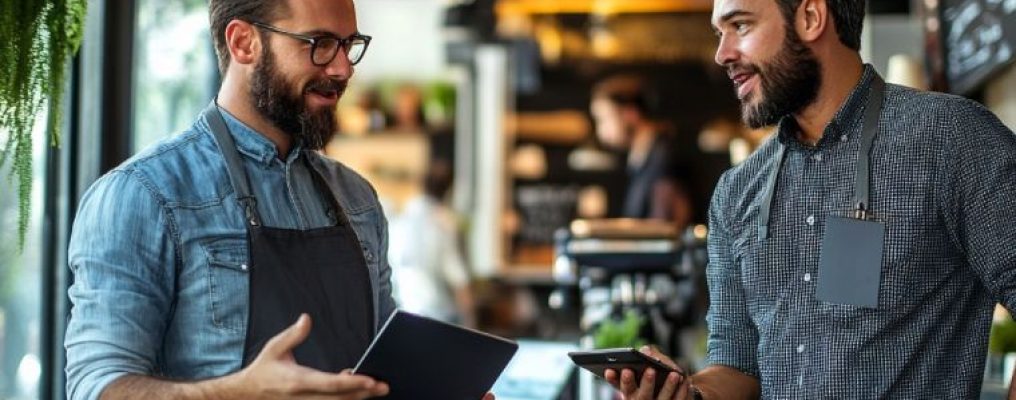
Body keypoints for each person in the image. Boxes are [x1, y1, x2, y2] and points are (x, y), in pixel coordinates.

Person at [64, 1, 495, 399]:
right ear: (243, 43)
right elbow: (96, 387)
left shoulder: (357, 199)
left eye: (349, 45)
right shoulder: (144, 195)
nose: (343, 68)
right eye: (320, 44)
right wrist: (237, 393)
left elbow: (380, 377)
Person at [606, 0, 1016, 398]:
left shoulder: (950, 138)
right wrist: (688, 394)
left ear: (811, 16)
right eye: (719, 33)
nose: (722, 54)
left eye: (741, 26)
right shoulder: (737, 191)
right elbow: (736, 364)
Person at [590, 75, 694, 230]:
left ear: (630, 113)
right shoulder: (643, 157)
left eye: (604, 119)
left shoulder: (664, 158)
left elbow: (665, 229)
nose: (600, 131)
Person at [386, 160, 477, 327]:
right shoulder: (444, 226)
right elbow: (459, 279)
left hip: (406, 315)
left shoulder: (397, 222)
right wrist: (472, 324)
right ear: (450, 190)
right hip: (440, 318)